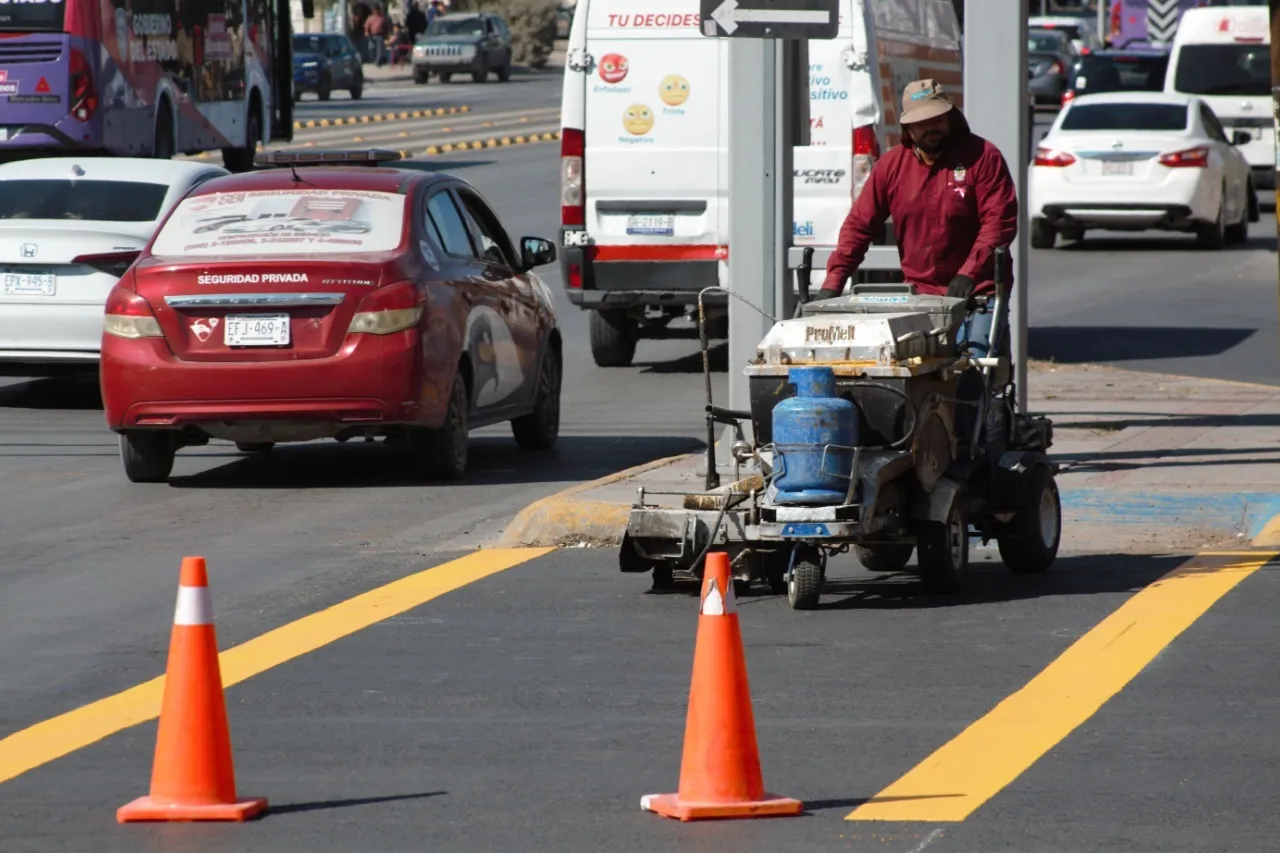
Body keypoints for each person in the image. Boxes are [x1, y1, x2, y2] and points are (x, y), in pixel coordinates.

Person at [815, 78, 1018, 448]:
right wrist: (834, 280)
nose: (932, 127)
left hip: (977, 295)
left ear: (950, 116)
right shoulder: (892, 167)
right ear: (908, 126)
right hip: (920, 298)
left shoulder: (982, 157)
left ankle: (971, 458)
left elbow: (998, 223)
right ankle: (921, 450)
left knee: (971, 373)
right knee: (915, 378)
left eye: (938, 118)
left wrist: (967, 275)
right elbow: (860, 225)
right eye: (923, 122)